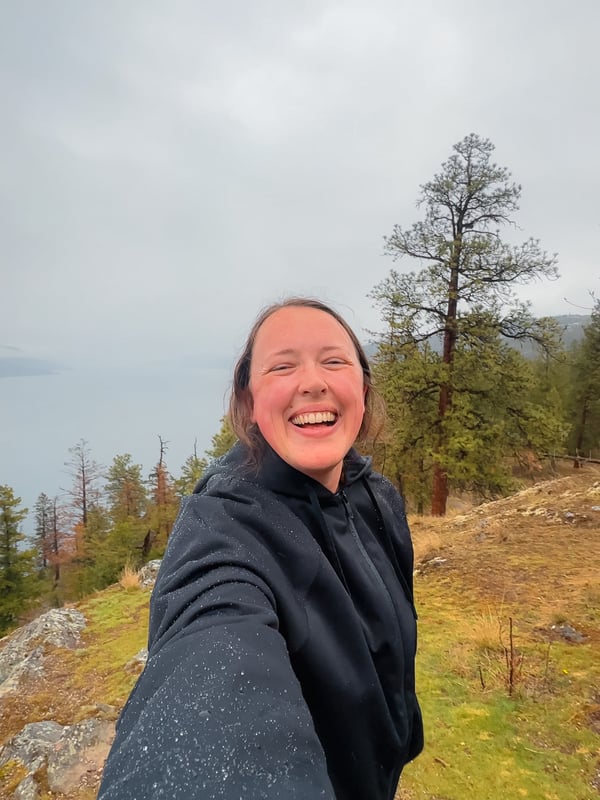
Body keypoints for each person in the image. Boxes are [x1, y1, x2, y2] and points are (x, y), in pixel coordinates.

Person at [98, 297, 423, 800]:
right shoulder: (220, 529)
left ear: (362, 386)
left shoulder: (379, 499)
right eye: (282, 365)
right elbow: (212, 657)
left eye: (334, 360)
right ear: (249, 402)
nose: (313, 381)